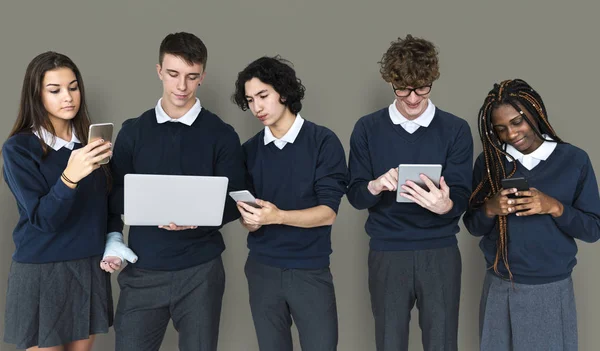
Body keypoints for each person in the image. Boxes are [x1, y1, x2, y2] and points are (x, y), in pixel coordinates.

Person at [107, 32, 246, 351]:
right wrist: (147, 207)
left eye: (191, 77)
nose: (182, 86)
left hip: (201, 272)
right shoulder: (133, 132)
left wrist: (198, 218)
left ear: (202, 77)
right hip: (143, 268)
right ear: (159, 71)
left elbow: (236, 200)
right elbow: (113, 198)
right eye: (173, 74)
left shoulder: (221, 135)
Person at [346, 35, 473, 351]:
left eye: (421, 88)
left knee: (442, 342)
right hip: (388, 252)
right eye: (402, 89)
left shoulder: (455, 129)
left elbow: (463, 193)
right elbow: (355, 195)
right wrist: (375, 185)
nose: (413, 98)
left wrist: (446, 205)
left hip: (440, 252)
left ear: (432, 80)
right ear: (391, 82)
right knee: (390, 342)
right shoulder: (367, 128)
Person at [463, 78, 600, 351]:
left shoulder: (573, 160)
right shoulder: (491, 163)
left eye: (517, 122)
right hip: (498, 286)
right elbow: (473, 226)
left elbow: (593, 230)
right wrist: (490, 208)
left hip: (549, 289)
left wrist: (555, 207)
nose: (511, 134)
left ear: (535, 113)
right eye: (500, 129)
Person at [2, 51, 119, 351]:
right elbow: (43, 219)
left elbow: (105, 208)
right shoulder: (19, 149)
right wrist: (70, 177)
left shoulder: (91, 146)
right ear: (36, 95)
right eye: (54, 90)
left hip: (88, 268)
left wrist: (114, 241)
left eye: (73, 87)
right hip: (43, 269)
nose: (68, 97)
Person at [232, 56, 348, 351]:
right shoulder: (249, 151)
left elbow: (327, 213)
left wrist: (277, 216)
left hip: (309, 271)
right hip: (262, 271)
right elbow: (250, 217)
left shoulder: (323, 142)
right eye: (250, 100)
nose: (257, 107)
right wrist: (251, 219)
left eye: (263, 95)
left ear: (283, 92)